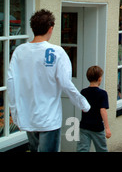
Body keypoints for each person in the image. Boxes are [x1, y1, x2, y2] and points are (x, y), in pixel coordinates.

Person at [7, 9, 91, 152]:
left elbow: (11, 83)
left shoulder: (19, 51)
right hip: (49, 119)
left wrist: (15, 115)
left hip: (28, 116)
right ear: (51, 28)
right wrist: (83, 104)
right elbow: (66, 83)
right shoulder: (57, 52)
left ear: (32, 28)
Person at [77, 66, 111, 152]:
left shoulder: (83, 92)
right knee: (102, 149)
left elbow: (82, 108)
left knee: (82, 149)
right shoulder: (102, 93)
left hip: (84, 126)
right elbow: (102, 110)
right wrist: (107, 128)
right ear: (100, 79)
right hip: (97, 127)